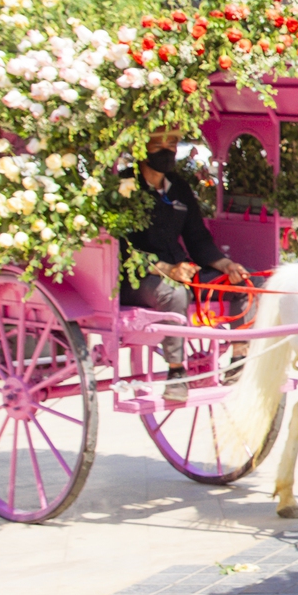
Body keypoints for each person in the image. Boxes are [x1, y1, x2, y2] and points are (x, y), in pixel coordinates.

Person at [123, 130, 251, 400]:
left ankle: (239, 358)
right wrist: (166, 270)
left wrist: (226, 264)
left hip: (181, 269)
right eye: (159, 144)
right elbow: (123, 249)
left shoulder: (179, 187)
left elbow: (197, 238)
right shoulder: (126, 187)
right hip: (136, 277)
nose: (168, 151)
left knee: (242, 282)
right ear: (141, 148)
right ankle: (176, 373)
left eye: (172, 144)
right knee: (174, 294)